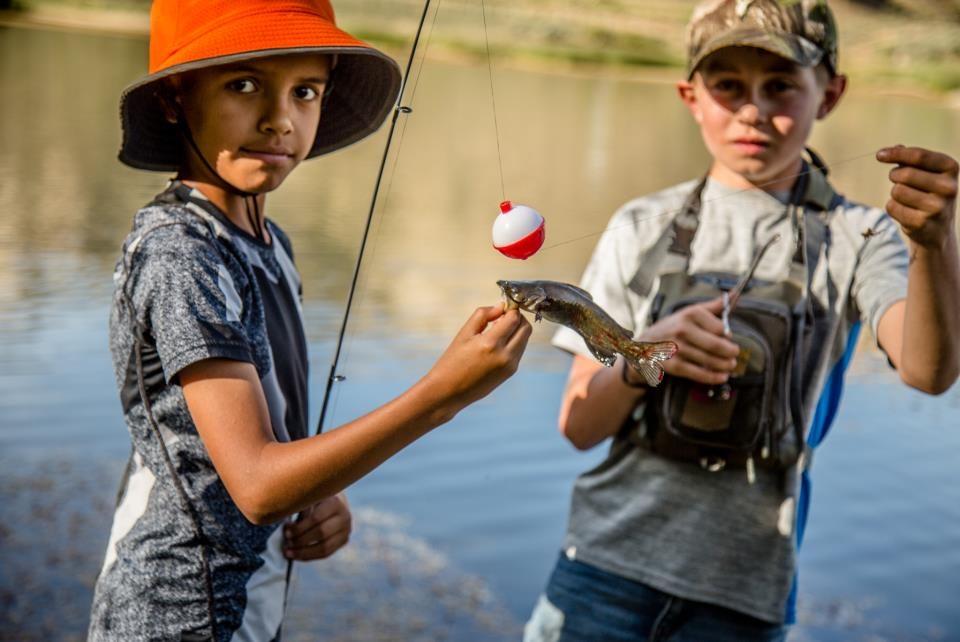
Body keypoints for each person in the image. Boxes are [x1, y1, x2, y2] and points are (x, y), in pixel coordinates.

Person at [87, 0, 532, 639]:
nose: (279, 120)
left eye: (305, 92)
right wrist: (441, 396)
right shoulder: (180, 252)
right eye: (244, 85)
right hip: (173, 617)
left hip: (252, 612)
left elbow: (276, 453)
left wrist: (318, 489)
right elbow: (259, 486)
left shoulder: (273, 246)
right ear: (174, 98)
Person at [523, 1, 959, 640]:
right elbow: (579, 426)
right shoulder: (638, 226)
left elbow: (929, 372)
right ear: (690, 96)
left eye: (780, 85)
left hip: (743, 598)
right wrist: (648, 356)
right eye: (727, 86)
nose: (753, 109)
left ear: (830, 93)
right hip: (598, 572)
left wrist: (933, 243)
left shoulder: (863, 234)